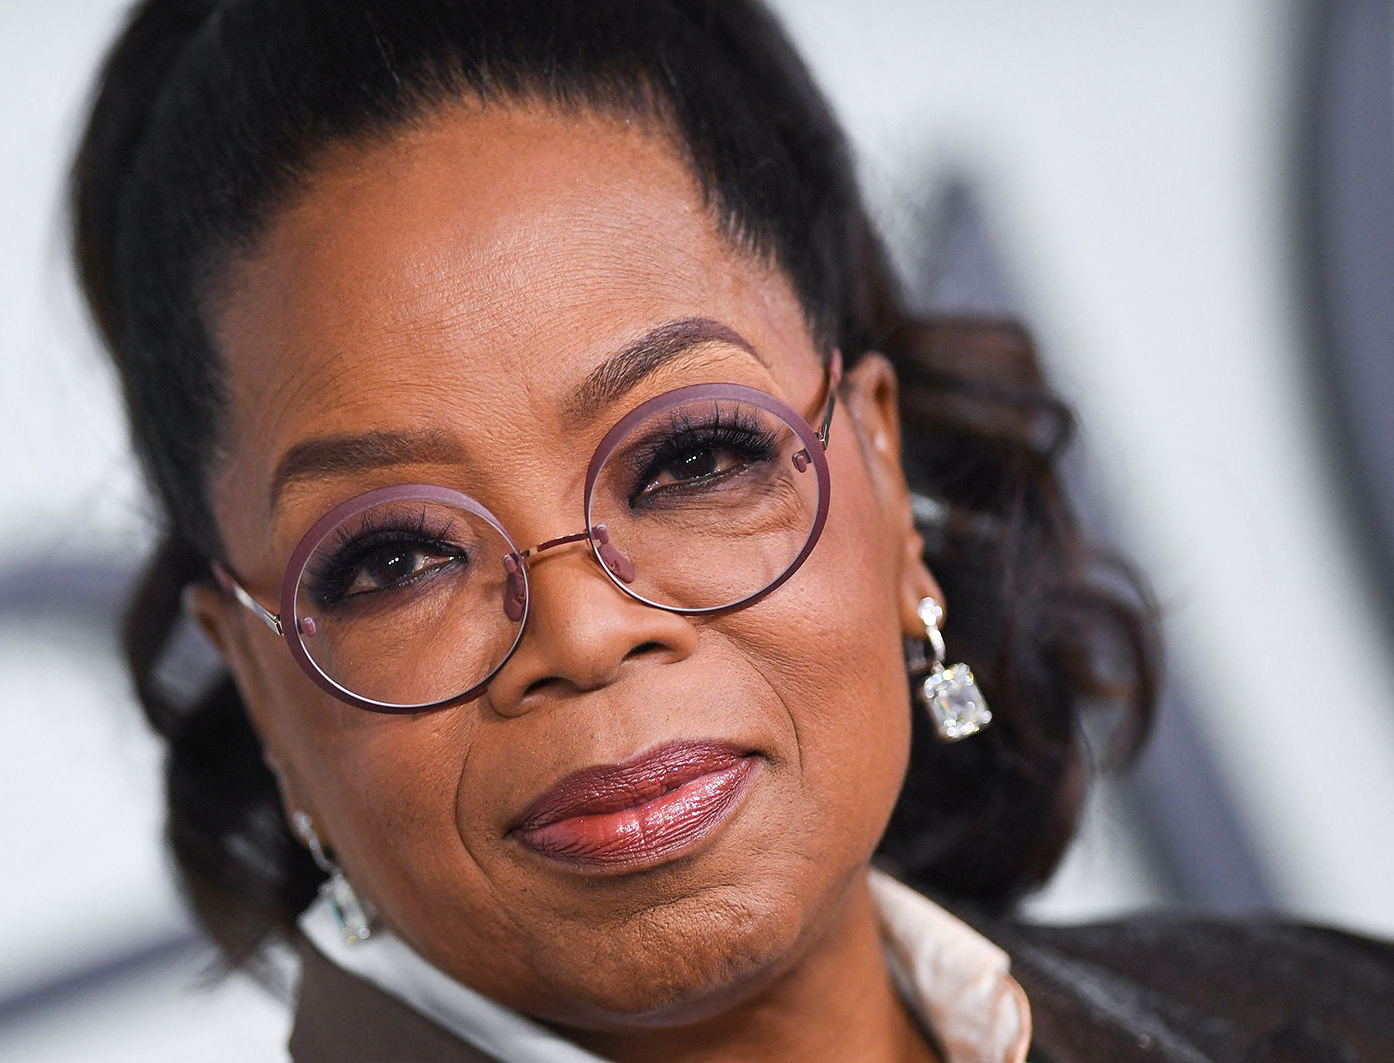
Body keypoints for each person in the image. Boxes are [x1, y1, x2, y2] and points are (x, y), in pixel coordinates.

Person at [69, 1, 1394, 1059]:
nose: (585, 631)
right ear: (257, 687)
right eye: (395, 556)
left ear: (878, 470)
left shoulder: (1333, 1013)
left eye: (694, 459)